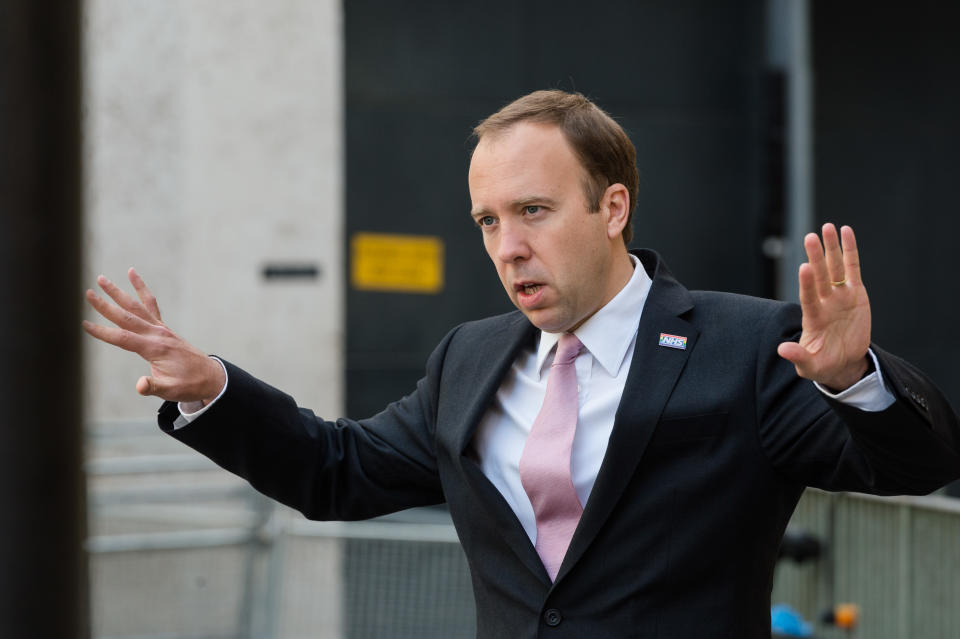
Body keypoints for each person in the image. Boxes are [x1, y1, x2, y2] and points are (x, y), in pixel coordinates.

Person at [84, 90, 960, 638]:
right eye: (488, 221)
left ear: (612, 206)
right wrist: (213, 391)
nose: (509, 247)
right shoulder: (469, 358)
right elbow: (335, 471)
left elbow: (916, 467)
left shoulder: (745, 346)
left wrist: (852, 379)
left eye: (533, 210)